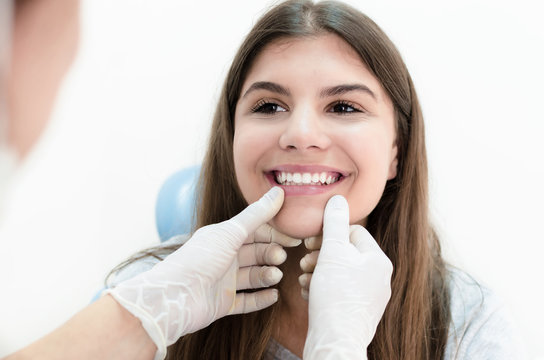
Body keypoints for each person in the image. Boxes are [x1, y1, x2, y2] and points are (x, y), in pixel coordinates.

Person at [3, 0, 521, 359]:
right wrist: (141, 320)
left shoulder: (467, 326)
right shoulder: (153, 290)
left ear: (396, 153)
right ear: (231, 138)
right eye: (269, 105)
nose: (300, 134)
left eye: (343, 106)